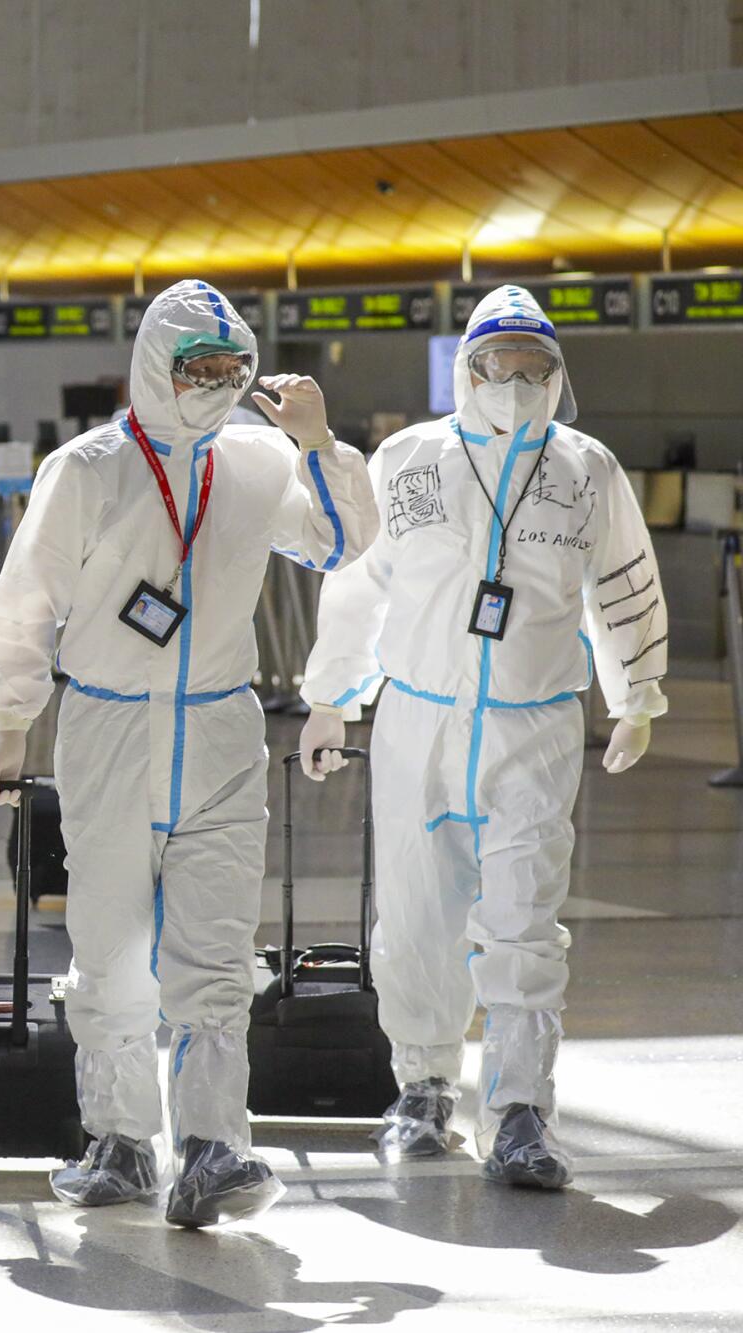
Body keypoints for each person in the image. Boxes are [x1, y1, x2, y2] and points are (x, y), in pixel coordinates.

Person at [0, 279, 378, 1228]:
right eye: (196, 369)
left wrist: (320, 443)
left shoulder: (258, 459)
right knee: (111, 947)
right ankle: (119, 1138)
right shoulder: (89, 468)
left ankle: (212, 1144)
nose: (215, 385)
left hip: (220, 729)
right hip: (110, 726)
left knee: (215, 946)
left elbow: (343, 543)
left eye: (231, 369)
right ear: (156, 366)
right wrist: (12, 719)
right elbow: (26, 599)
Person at [299, 285, 668, 1190]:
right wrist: (328, 696)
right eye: (498, 363)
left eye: (534, 365)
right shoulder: (409, 459)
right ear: (468, 367)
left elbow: (623, 583)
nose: (515, 381)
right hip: (418, 720)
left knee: (524, 920)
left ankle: (520, 1110)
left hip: (532, 725)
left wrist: (640, 694)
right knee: (416, 916)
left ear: (556, 372)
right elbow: (359, 582)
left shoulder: (588, 469)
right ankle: (423, 1090)